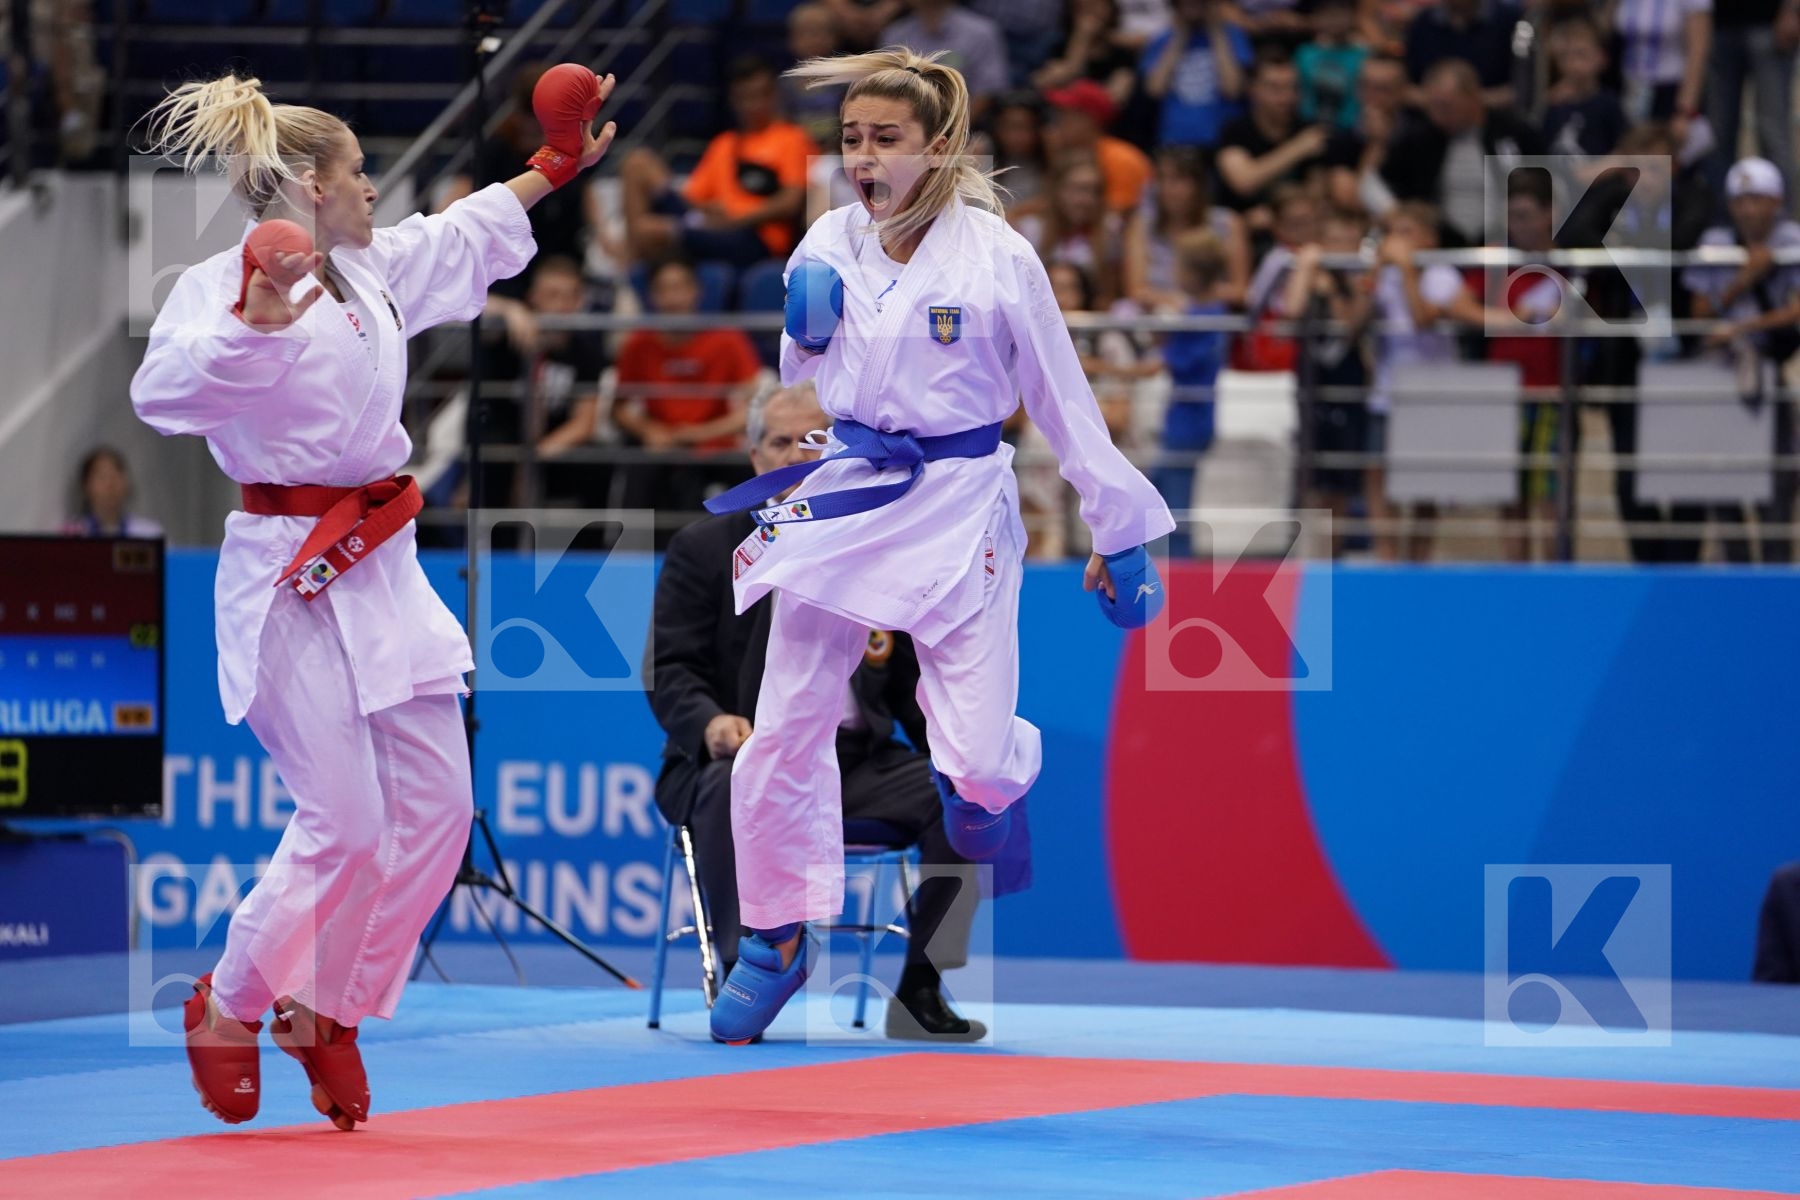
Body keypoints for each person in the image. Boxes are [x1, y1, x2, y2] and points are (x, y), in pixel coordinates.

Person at [129, 67, 615, 1127]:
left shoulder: (371, 266)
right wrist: (254, 324)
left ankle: (328, 1009)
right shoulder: (217, 283)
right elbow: (160, 394)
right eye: (358, 177)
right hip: (286, 569)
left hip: (382, 566)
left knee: (440, 812)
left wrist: (553, 166)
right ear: (308, 184)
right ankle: (232, 1002)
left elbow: (462, 232)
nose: (373, 193)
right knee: (344, 822)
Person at [702, 47, 1171, 1044]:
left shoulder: (999, 257)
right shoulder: (827, 238)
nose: (862, 158)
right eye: (850, 140)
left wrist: (1118, 531)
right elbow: (805, 371)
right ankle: (777, 935)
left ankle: (998, 771)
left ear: (939, 146)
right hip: (851, 489)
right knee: (785, 721)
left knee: (974, 773)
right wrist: (806, 333)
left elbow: (1060, 397)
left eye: (885, 139)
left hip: (961, 497)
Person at [649, 380, 987, 1042]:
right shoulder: (706, 548)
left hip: (856, 763)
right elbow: (672, 669)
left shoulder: (881, 546)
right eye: (781, 442)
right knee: (736, 781)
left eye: (815, 441)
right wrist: (713, 724)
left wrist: (960, 752)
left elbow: (918, 679)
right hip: (744, 754)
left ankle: (922, 982)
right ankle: (747, 964)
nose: (798, 456)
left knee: (962, 792)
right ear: (753, 457)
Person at [1683, 156, 1800, 563]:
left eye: (1758, 199)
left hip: (1770, 369)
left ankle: (1776, 576)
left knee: (1778, 484)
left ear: (1777, 201)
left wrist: (1742, 328)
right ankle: (1736, 573)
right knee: (1724, 483)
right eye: (1741, 200)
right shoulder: (1717, 242)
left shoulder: (1792, 240)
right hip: (1722, 375)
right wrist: (1744, 279)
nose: (1749, 209)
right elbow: (1699, 311)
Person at [612, 255, 761, 539]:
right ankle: (628, 562)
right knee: (636, 469)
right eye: (663, 290)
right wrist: (649, 430)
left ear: (697, 292)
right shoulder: (638, 343)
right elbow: (617, 409)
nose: (672, 298)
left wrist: (698, 433)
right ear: (652, 296)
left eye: (679, 287)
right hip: (660, 446)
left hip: (714, 447)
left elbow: (755, 406)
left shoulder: (727, 339)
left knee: (746, 476)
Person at [622, 57, 811, 270]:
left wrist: (736, 218)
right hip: (712, 225)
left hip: (756, 237)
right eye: (746, 97)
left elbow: (790, 202)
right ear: (734, 100)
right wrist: (710, 209)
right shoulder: (724, 143)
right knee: (637, 162)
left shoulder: (792, 138)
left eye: (761, 95)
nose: (754, 105)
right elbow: (693, 197)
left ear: (774, 95)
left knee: (648, 229)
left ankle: (627, 269)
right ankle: (633, 263)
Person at [477, 254, 610, 509]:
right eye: (551, 295)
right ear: (533, 296)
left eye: (568, 296)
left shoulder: (587, 351)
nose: (560, 305)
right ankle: (499, 544)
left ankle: (590, 545)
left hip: (553, 444)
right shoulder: (506, 335)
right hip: (506, 435)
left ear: (579, 301)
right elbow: (468, 307)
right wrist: (509, 309)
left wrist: (536, 453)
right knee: (494, 453)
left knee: (597, 461)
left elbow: (584, 422)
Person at [1376, 57, 1546, 246]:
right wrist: (1393, 211)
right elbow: (1376, 181)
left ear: (1473, 97)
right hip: (1442, 244)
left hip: (1506, 240)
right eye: (1431, 106)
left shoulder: (1514, 131)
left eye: (1445, 106)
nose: (1436, 115)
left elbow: (1547, 185)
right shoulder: (1421, 137)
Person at [1150, 229, 1231, 556]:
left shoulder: (1202, 318)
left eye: (1178, 267)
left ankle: (1178, 568)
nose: (1173, 274)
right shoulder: (1211, 313)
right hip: (1188, 412)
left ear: (1194, 274)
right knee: (1159, 486)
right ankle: (1157, 559)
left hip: (1191, 416)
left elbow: (1172, 361)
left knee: (1175, 501)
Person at [1214, 50, 1333, 233]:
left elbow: (1316, 194)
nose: (1285, 97)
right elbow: (1244, 181)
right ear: (1252, 89)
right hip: (1243, 231)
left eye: (1291, 87)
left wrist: (1278, 216)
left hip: (1297, 229)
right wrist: (1299, 148)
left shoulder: (1306, 129)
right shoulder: (1235, 131)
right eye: (1274, 88)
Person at [1123, 144, 1251, 310]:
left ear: (1198, 185)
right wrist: (1172, 301)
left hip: (1211, 317)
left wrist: (1193, 303)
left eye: (1178, 179)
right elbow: (1136, 291)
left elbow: (1240, 291)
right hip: (1155, 319)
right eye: (1161, 179)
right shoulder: (1142, 225)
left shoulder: (1228, 223)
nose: (1168, 188)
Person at [1139, 0, 1252, 149]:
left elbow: (1232, 89)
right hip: (1175, 138)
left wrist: (1216, 32)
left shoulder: (1233, 36)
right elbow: (1155, 89)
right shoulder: (1162, 39)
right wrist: (1180, 36)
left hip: (1222, 138)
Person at [881, 0, 1012, 121]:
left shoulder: (981, 32)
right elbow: (886, 89)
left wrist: (952, 128)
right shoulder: (895, 34)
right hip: (905, 125)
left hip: (965, 126)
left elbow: (987, 92)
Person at [1039, 77, 1153, 215]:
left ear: (1089, 120)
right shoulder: (1068, 153)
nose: (1058, 122)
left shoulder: (1121, 158)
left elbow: (1116, 215)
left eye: (1065, 114)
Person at [1403, 0, 1524, 109]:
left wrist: (1469, 102)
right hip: (1430, 118)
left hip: (1495, 116)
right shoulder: (1423, 22)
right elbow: (1408, 86)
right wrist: (1441, 100)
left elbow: (1523, 89)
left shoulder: (1511, 19)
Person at [1541, 16, 1627, 158]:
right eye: (1565, 56)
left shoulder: (1609, 104)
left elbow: (1623, 149)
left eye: (1581, 54)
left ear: (1601, 57)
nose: (1574, 64)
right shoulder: (1552, 105)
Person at [61, 446, 164, 538]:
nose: (110, 484)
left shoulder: (149, 533)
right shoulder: (71, 534)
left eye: (116, 476)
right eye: (102, 477)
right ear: (86, 485)